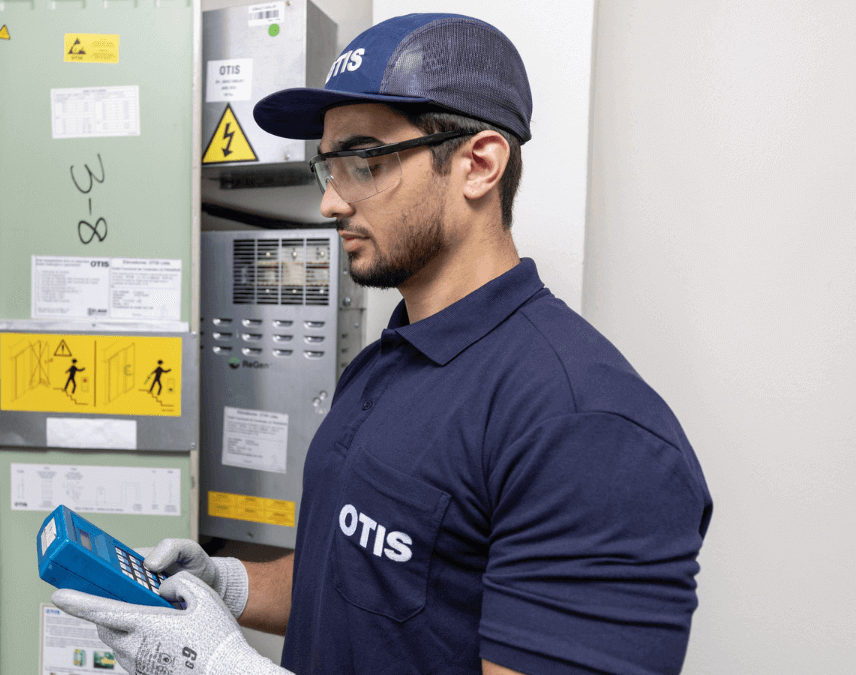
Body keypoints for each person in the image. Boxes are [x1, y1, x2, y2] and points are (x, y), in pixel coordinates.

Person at [51, 13, 712, 675]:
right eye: (328, 167)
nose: (330, 202)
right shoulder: (384, 363)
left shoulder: (587, 429)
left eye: (364, 161)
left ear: (478, 164)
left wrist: (222, 667)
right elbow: (359, 574)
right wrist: (230, 584)